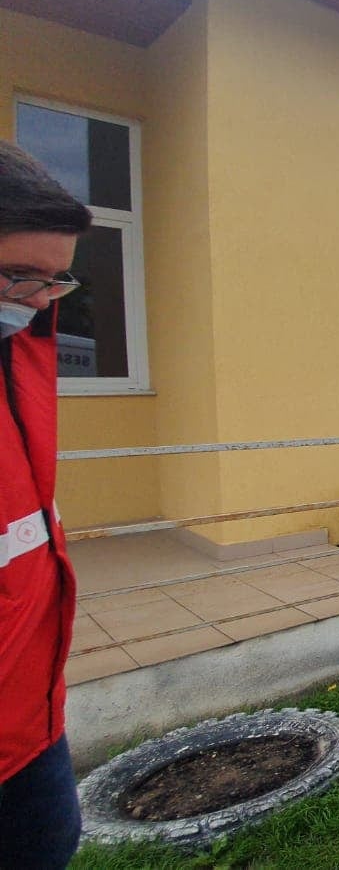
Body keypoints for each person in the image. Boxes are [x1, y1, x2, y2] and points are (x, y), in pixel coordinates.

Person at [0, 140, 94, 869]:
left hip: (32, 721)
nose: (36, 302)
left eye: (55, 281)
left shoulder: (21, 356)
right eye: (18, 276)